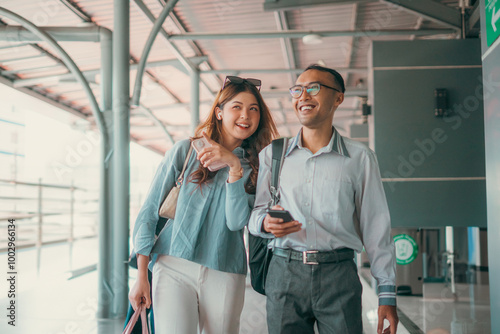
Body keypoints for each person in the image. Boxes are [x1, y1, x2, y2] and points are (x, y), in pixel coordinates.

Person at [248, 64, 398, 334]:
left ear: (338, 97)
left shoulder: (360, 158)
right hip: (284, 273)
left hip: (339, 275)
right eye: (298, 89)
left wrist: (387, 294)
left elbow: (376, 226)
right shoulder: (274, 154)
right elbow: (256, 214)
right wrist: (267, 224)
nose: (303, 96)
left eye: (314, 88)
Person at [129, 75, 278, 333]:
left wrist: (233, 167)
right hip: (172, 265)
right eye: (237, 107)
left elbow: (236, 222)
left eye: (253, 109)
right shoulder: (186, 152)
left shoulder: (257, 168)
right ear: (219, 112)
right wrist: (141, 274)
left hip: (225, 271)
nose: (246, 115)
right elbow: (148, 213)